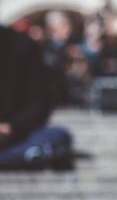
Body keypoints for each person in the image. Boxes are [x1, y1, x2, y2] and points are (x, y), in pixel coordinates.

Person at [0, 26, 72, 170]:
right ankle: (25, 156)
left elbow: (40, 101)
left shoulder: (21, 45)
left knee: (58, 136)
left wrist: (12, 127)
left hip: (15, 133)